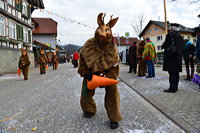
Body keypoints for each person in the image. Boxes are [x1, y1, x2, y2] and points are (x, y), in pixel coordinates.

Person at [78, 13, 122, 129]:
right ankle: (89, 109)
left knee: (113, 92)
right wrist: (85, 72)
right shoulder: (89, 44)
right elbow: (82, 58)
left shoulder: (112, 48)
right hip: (91, 73)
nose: (102, 33)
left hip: (107, 75)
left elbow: (115, 65)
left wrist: (109, 76)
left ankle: (114, 117)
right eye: (100, 29)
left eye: (106, 30)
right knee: (85, 91)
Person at [162, 23, 184, 93]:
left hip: (171, 57)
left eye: (170, 28)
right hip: (178, 58)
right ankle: (176, 87)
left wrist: (163, 45)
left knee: (172, 73)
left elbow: (166, 45)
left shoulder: (170, 35)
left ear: (172, 28)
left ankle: (172, 88)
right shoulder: (180, 37)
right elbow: (182, 46)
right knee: (176, 73)